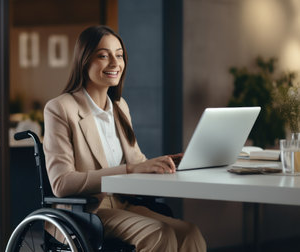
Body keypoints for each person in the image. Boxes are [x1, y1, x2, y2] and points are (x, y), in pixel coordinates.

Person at [43, 25, 206, 252]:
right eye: (103, 55)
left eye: (119, 55)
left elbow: (137, 161)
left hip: (124, 204)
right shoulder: (60, 108)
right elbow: (62, 183)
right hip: (87, 211)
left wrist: (166, 163)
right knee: (160, 234)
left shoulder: (119, 106)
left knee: (189, 232)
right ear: (84, 61)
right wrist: (130, 170)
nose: (114, 63)